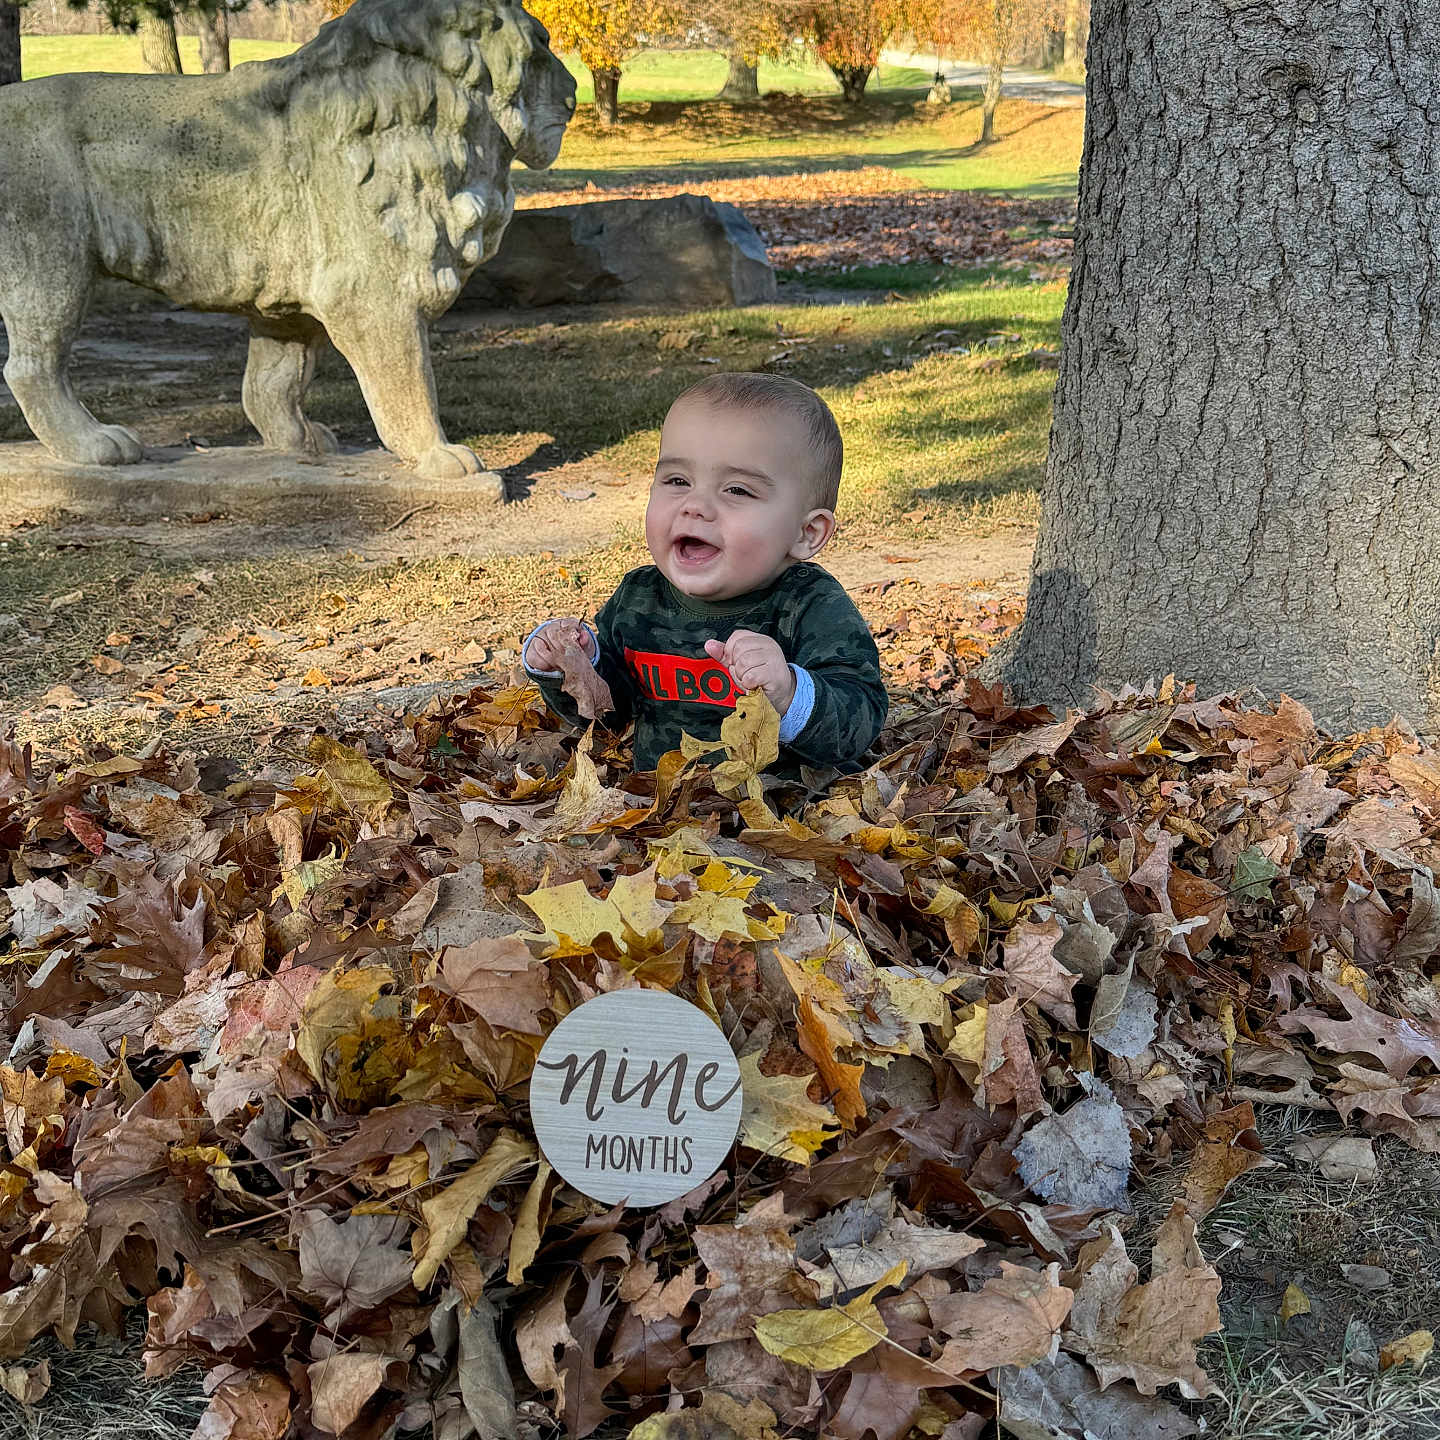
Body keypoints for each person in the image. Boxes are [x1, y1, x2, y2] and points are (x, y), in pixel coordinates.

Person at [522, 372, 887, 775]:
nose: (695, 505)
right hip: (662, 811)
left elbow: (863, 720)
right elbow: (610, 714)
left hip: (784, 820)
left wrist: (790, 693)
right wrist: (573, 664)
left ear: (805, 533)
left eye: (737, 490)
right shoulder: (639, 597)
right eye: (678, 480)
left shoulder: (811, 605)